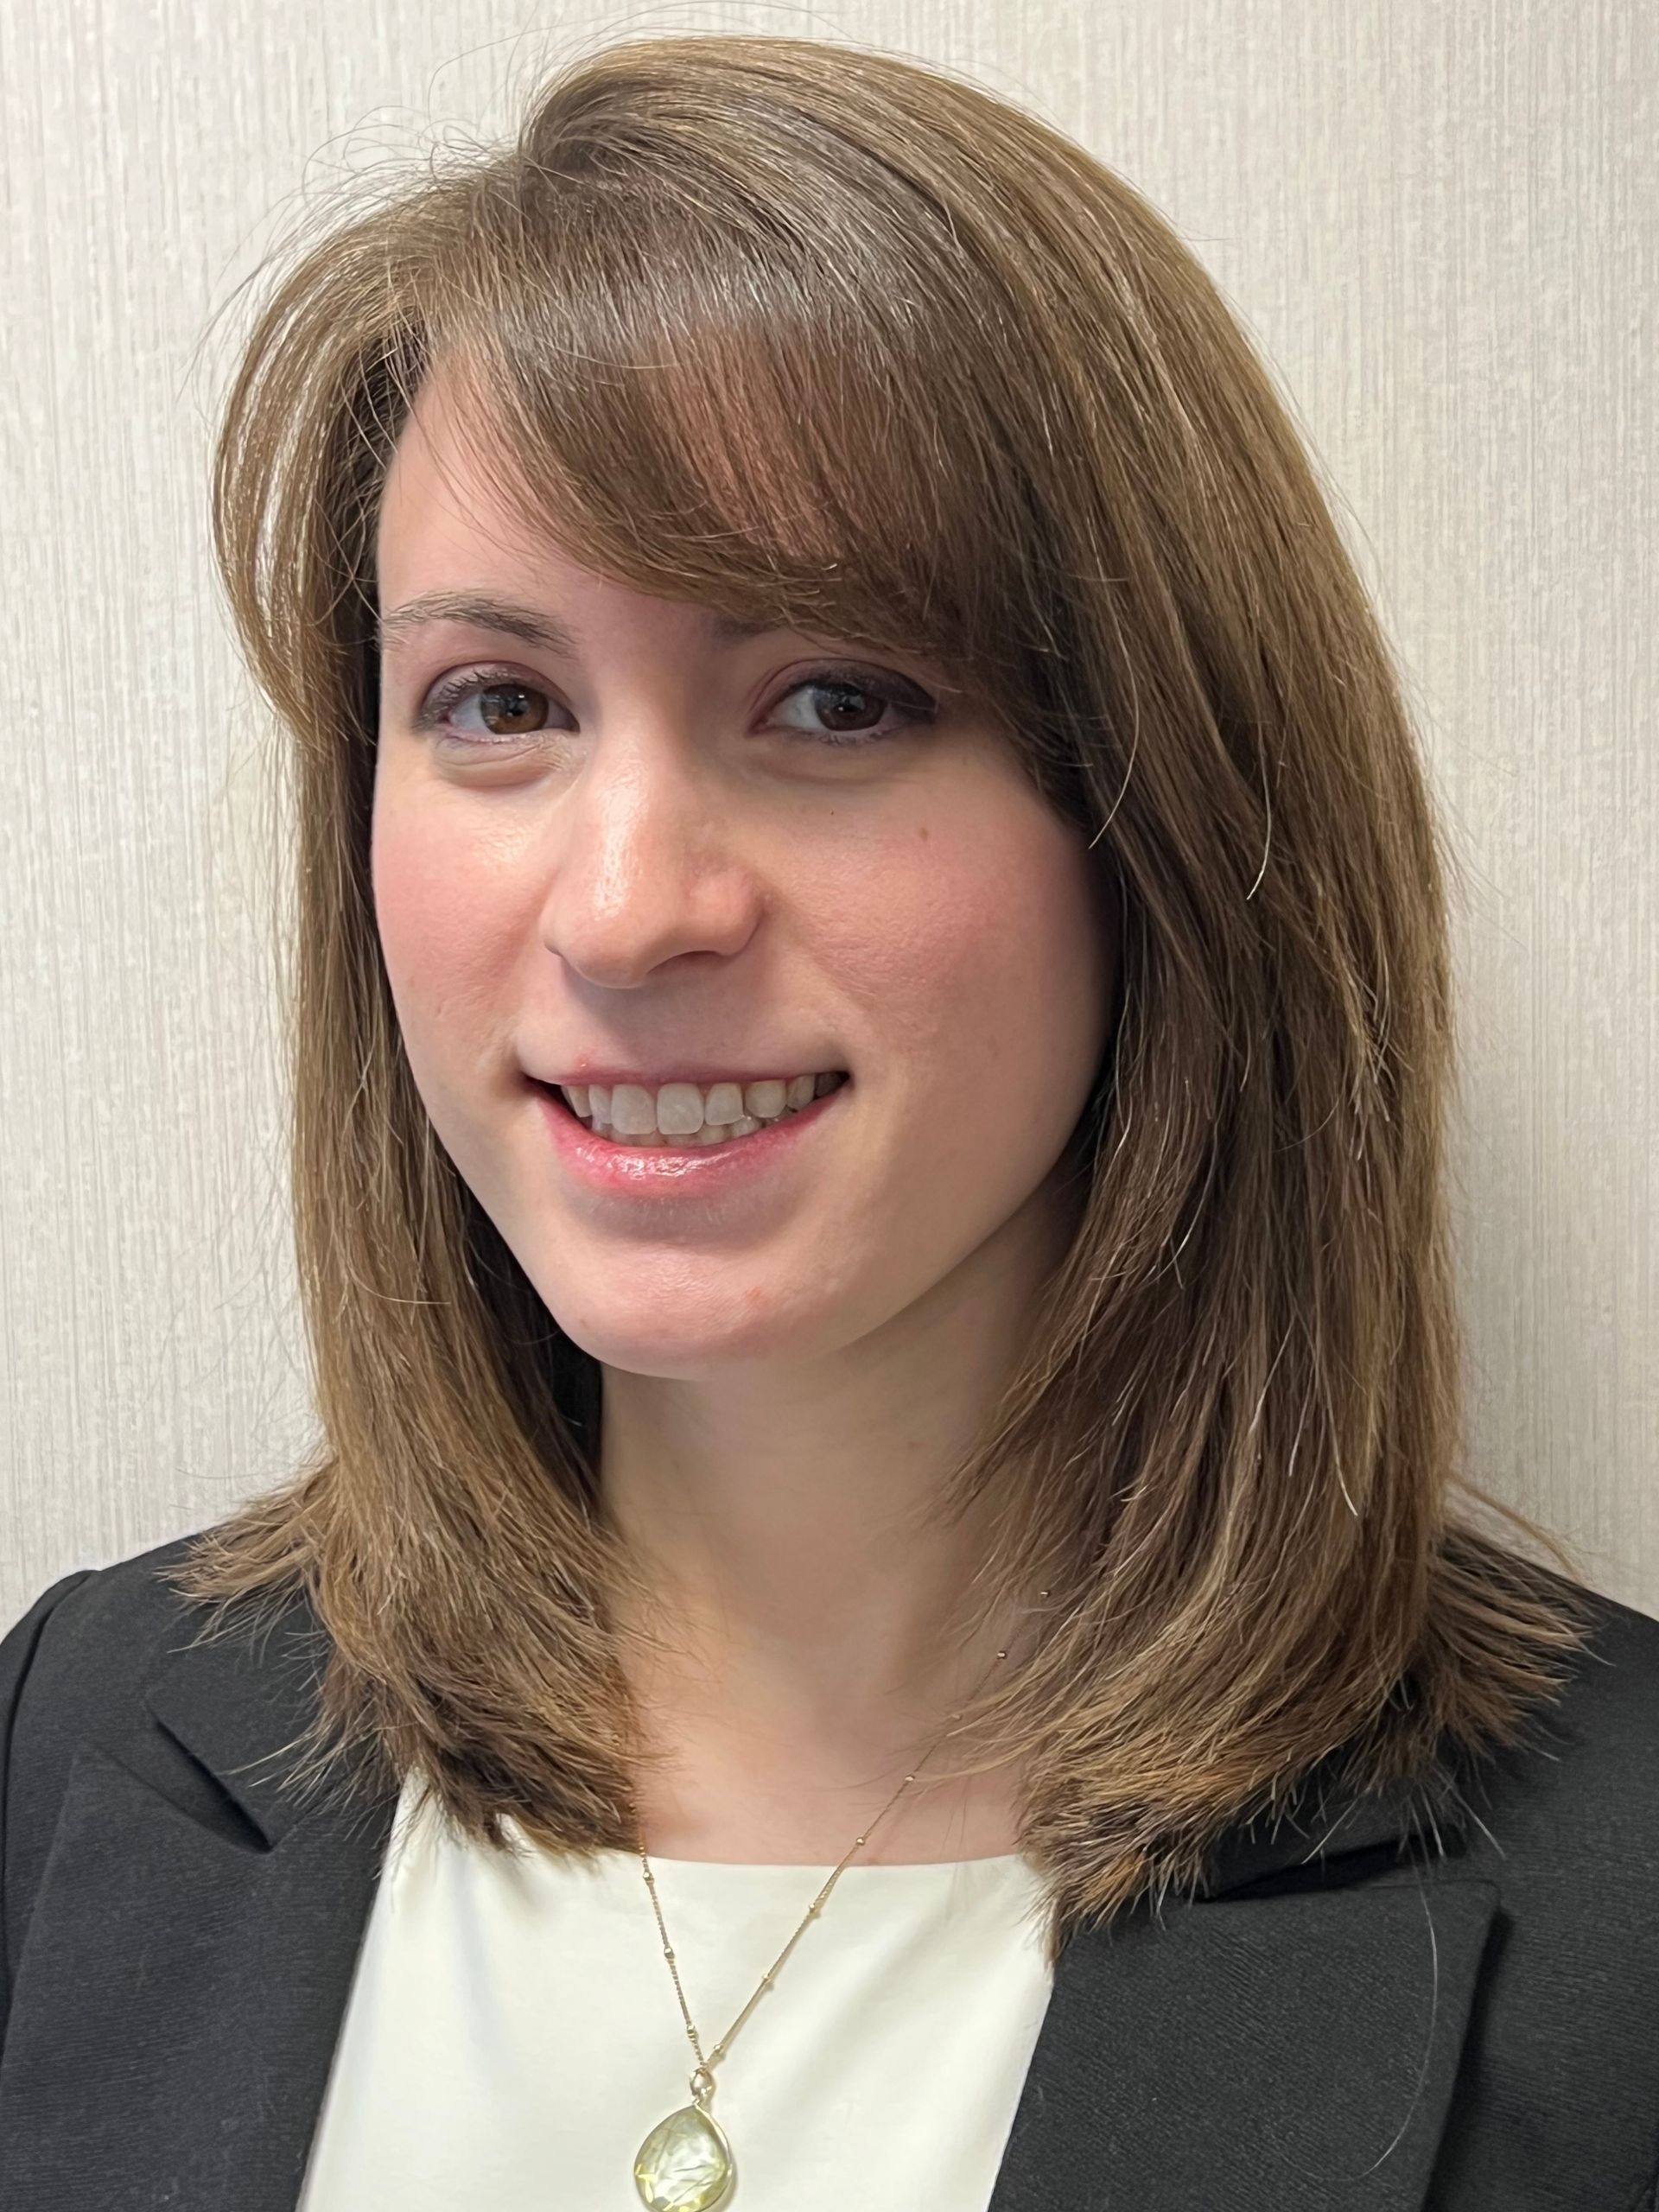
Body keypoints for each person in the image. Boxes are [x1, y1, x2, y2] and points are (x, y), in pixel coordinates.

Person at [2, 29, 1655, 2212]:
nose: (623, 907)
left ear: (1162, 814)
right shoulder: (75, 1737)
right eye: (498, 703)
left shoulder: (1615, 1919)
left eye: (837, 698)